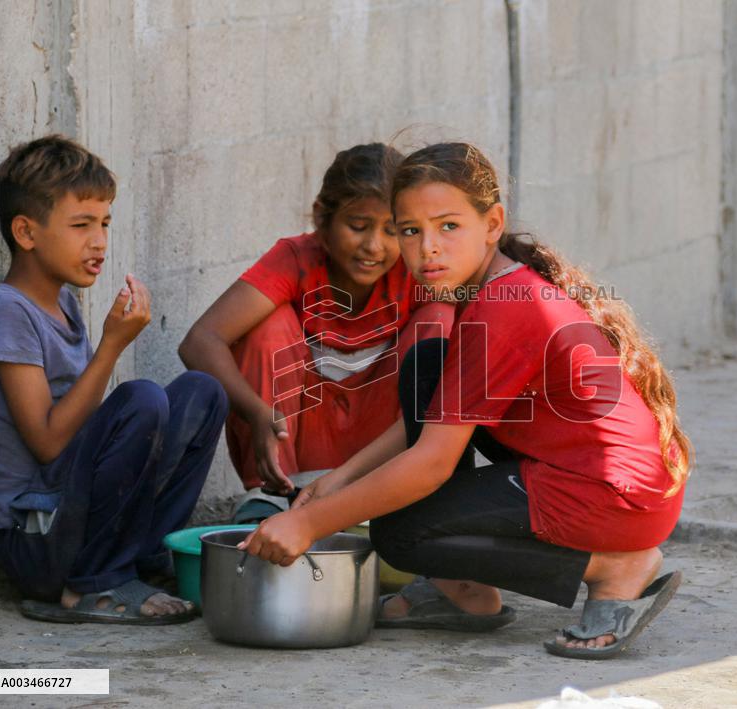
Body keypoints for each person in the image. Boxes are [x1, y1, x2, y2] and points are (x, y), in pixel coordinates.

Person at [239, 142, 693, 659]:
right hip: (606, 481)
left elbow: (431, 464)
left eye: (448, 226)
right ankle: (468, 594)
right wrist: (342, 480)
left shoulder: (499, 311)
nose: (427, 247)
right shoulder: (498, 290)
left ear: (492, 223)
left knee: (402, 532)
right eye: (410, 230)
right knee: (426, 366)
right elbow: (440, 417)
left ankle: (612, 567)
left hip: (613, 499)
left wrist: (306, 523)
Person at [0, 135, 227, 624]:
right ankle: (95, 585)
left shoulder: (61, 301)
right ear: (26, 232)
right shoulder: (9, 313)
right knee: (141, 399)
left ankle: (142, 557)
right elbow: (46, 442)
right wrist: (111, 345)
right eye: (81, 225)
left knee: (203, 392)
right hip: (34, 539)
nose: (100, 241)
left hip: (72, 516)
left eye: (104, 222)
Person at [179, 143, 453, 522]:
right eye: (357, 226)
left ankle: (401, 489)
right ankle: (268, 496)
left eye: (392, 230)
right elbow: (200, 340)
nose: (373, 246)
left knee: (441, 321)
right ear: (322, 218)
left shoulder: (416, 267)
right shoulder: (296, 259)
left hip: (378, 456)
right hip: (294, 451)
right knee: (267, 324)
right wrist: (257, 412)